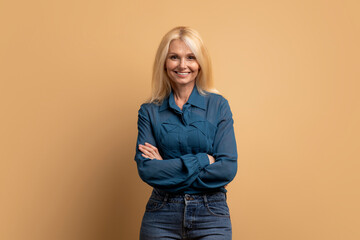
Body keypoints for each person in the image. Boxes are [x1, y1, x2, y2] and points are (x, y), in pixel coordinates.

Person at [134, 26, 238, 240]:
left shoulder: (218, 106)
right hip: (161, 214)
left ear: (200, 63)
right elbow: (148, 170)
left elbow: (227, 168)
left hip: (212, 215)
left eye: (190, 57)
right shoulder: (149, 111)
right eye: (174, 57)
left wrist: (165, 166)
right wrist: (203, 160)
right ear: (164, 62)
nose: (183, 65)